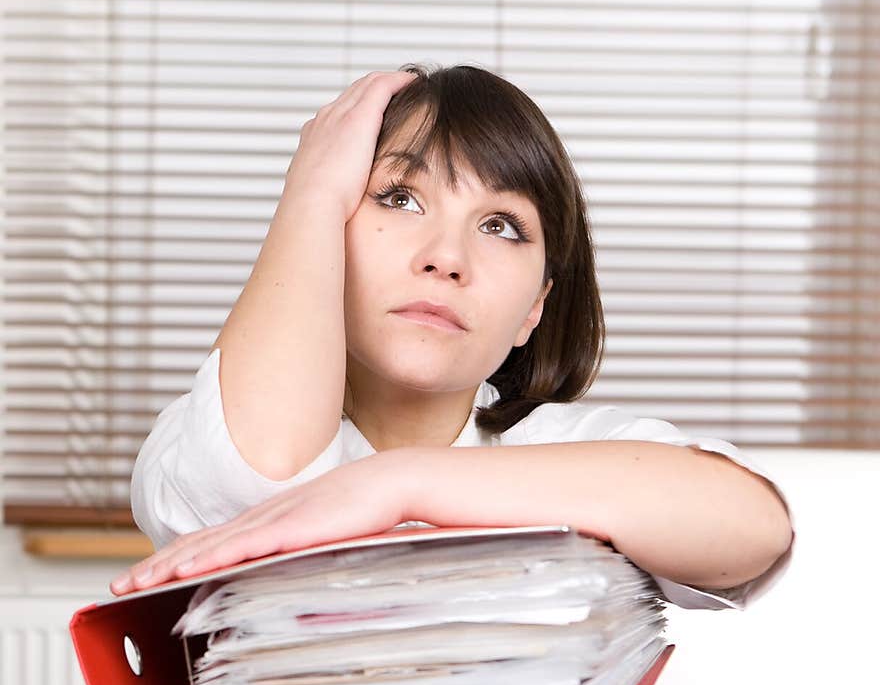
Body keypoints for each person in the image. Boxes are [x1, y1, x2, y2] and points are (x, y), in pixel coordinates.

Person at [110, 65, 795, 609]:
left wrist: (402, 483)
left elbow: (755, 530)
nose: (446, 257)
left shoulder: (560, 450)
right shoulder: (203, 428)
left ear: (534, 308)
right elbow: (258, 480)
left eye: (500, 225)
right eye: (399, 198)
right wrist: (312, 191)